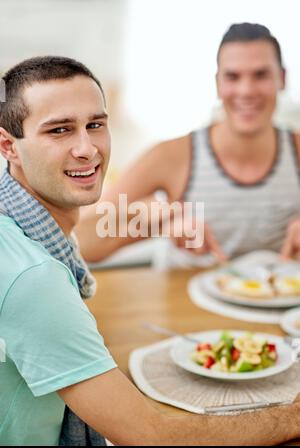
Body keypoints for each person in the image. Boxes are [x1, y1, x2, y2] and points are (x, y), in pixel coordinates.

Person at [1, 56, 300, 447]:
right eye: (59, 130)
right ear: (9, 146)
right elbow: (152, 439)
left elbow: (83, 239)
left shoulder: (23, 225)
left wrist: (155, 219)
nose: (87, 149)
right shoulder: (34, 279)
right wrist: (292, 417)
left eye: (95, 125)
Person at [75, 23, 300, 268]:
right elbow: (81, 239)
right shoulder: (171, 156)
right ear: (217, 84)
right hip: (186, 304)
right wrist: (160, 219)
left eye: (260, 75)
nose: (246, 90)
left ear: (282, 79)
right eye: (232, 77)